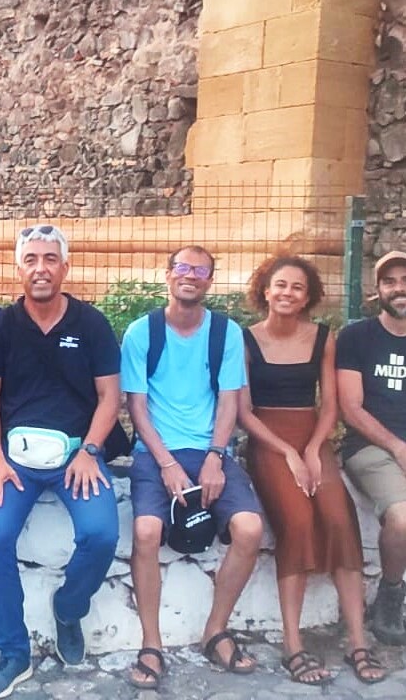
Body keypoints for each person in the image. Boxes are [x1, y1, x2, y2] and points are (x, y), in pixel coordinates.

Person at [0, 225, 120, 699]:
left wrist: (90, 450)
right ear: (19, 268)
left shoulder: (91, 324)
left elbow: (109, 397)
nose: (41, 268)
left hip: (76, 453)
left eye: (50, 259)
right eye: (31, 259)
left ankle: (69, 609)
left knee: (101, 533)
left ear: (65, 267)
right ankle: (13, 653)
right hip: (15, 459)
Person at [121, 245, 263, 690]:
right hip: (155, 452)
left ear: (209, 281)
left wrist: (216, 457)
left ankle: (215, 631)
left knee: (250, 529)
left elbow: (228, 401)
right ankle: (151, 643)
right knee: (146, 531)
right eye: (182, 267)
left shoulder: (226, 333)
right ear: (168, 275)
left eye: (200, 271)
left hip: (209, 450)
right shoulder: (142, 332)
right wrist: (165, 463)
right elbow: (136, 407)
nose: (190, 276)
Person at [239, 256, 383, 684]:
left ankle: (357, 640)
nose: (287, 293)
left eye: (297, 287)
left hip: (312, 435)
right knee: (299, 522)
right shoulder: (245, 339)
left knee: (340, 520)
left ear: (308, 297)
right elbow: (244, 413)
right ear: (265, 291)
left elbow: (331, 406)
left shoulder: (323, 337)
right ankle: (293, 643)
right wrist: (288, 452)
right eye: (280, 285)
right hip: (269, 439)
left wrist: (315, 448)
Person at [337, 250, 406, 653]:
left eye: (405, 280)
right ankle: (391, 595)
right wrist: (397, 446)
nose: (399, 289)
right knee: (401, 518)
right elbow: (350, 408)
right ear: (378, 290)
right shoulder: (357, 337)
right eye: (390, 281)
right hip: (370, 447)